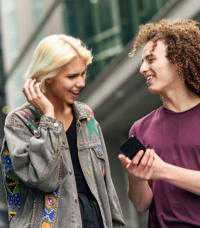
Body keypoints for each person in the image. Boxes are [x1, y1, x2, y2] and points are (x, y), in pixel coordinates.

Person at [1, 34, 125, 228]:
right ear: (48, 76)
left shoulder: (86, 116)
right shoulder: (19, 121)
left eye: (83, 74)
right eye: (72, 76)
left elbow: (106, 185)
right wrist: (49, 119)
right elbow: (44, 180)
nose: (81, 83)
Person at [118, 18, 200, 228]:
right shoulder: (140, 129)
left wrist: (163, 171)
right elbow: (142, 204)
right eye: (143, 61)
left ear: (178, 60)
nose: (143, 68)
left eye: (151, 59)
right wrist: (137, 178)